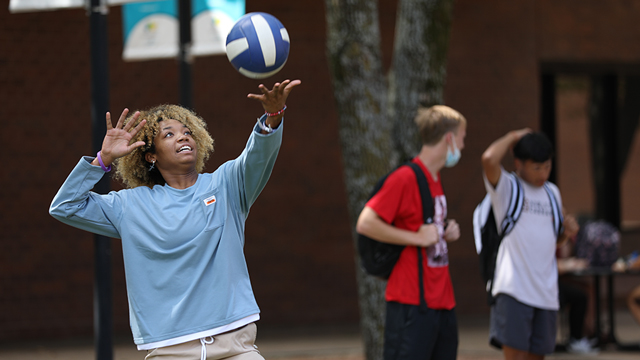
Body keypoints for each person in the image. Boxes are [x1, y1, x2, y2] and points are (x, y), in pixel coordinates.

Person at [49, 79, 301, 360]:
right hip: (170, 348)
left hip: (235, 344)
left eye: (187, 132)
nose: (183, 137)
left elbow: (258, 155)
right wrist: (102, 160)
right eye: (169, 134)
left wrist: (273, 116)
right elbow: (65, 206)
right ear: (150, 156)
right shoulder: (130, 205)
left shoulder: (227, 185)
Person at [356, 105, 466, 360]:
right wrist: (417, 238)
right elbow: (366, 222)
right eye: (462, 137)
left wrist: (444, 232)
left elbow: (423, 225)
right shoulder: (405, 177)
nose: (462, 145)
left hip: (442, 301)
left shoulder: (435, 178)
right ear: (449, 138)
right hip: (411, 303)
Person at [481, 129, 579, 360]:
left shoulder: (552, 193)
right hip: (514, 289)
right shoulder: (507, 188)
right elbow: (488, 159)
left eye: (547, 166)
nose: (543, 173)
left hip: (546, 292)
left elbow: (552, 241)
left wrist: (566, 233)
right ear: (519, 163)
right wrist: (513, 136)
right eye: (537, 167)